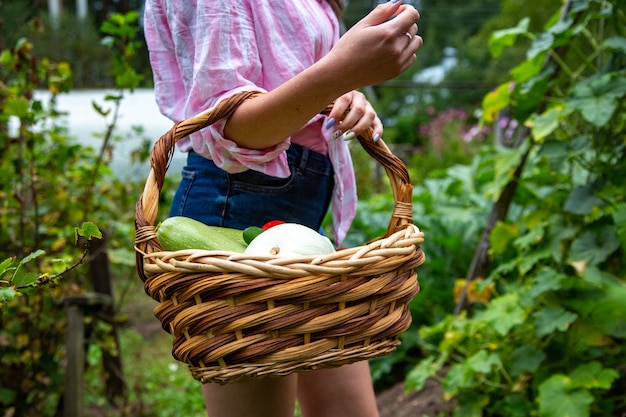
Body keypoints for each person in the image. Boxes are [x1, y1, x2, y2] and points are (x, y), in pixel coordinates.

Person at [143, 1, 422, 416]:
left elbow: (293, 86)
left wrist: (345, 97)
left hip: (297, 225)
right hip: (235, 211)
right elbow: (231, 123)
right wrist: (341, 71)